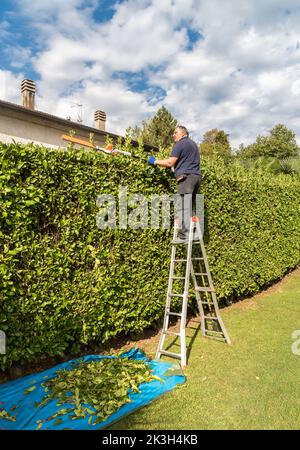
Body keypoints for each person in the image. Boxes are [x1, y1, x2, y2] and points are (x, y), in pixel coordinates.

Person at [148, 125, 201, 242]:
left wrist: (154, 161)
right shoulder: (193, 145)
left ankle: (184, 235)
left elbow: (170, 161)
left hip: (186, 179)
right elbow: (184, 162)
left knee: (182, 207)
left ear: (183, 133)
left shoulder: (180, 144)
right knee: (190, 206)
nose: (173, 135)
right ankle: (195, 233)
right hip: (195, 178)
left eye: (175, 132)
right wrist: (176, 169)